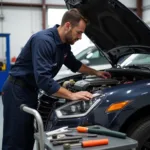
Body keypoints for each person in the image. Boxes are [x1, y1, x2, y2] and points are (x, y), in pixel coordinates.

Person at [1, 8, 111, 150]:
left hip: (30, 91)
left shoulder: (63, 45)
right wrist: (71, 94)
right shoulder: (44, 41)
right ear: (67, 26)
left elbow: (74, 64)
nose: (80, 37)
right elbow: (43, 80)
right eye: (79, 32)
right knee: (15, 139)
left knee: (28, 136)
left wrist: (96, 73)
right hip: (17, 90)